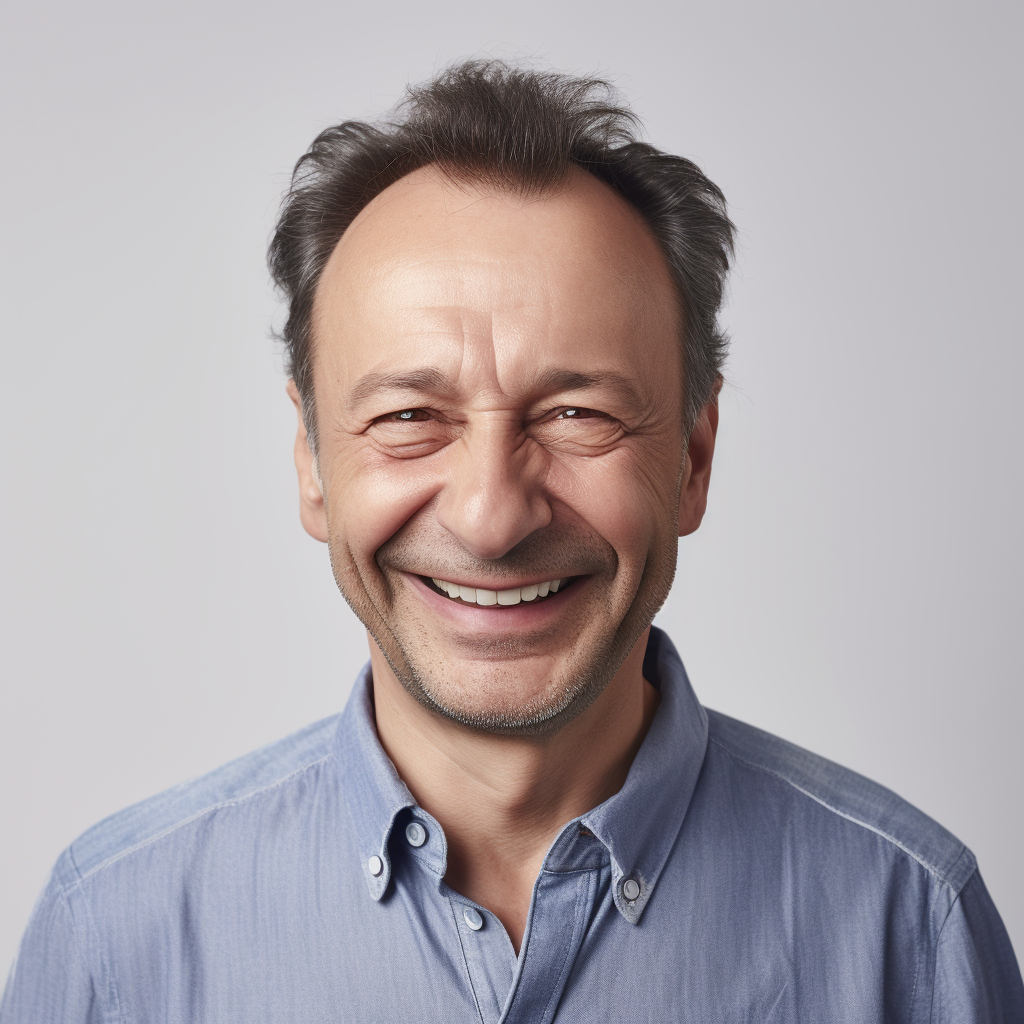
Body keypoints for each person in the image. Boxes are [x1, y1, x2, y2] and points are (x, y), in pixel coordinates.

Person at [2, 60, 1021, 1023]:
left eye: (577, 414)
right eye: (408, 416)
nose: (493, 516)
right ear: (312, 462)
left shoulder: (908, 930)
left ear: (694, 460)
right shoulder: (116, 944)